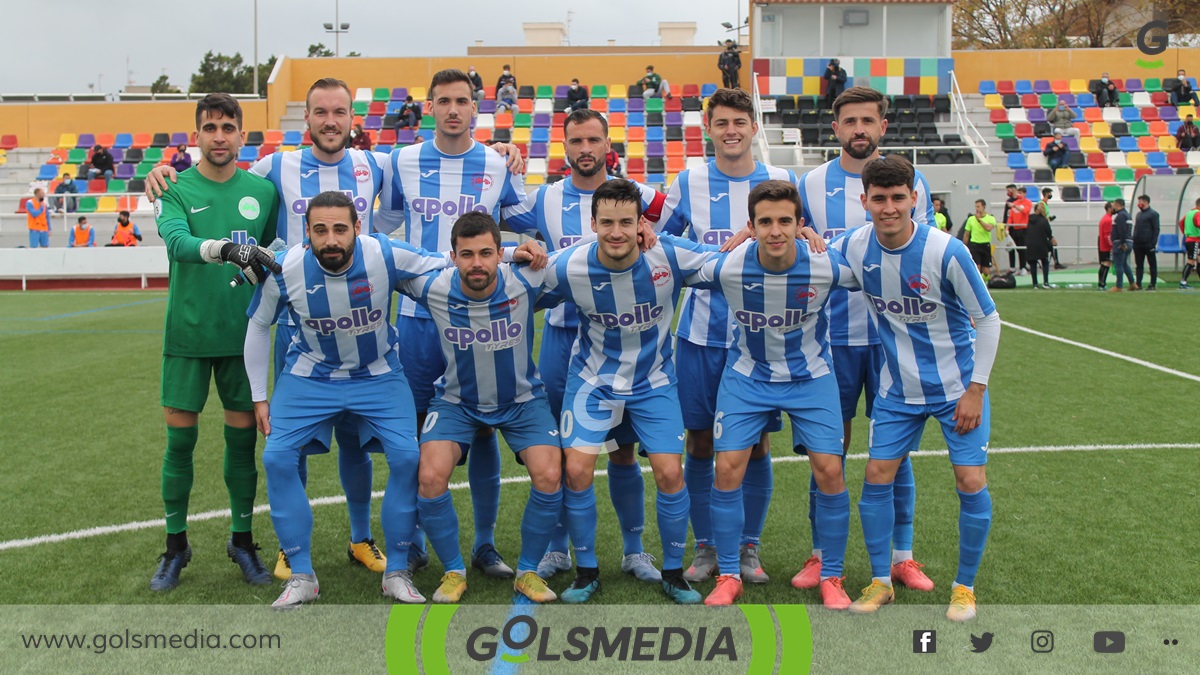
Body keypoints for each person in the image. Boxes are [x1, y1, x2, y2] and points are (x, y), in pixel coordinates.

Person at [142, 77, 534, 579]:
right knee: (289, 442)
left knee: (357, 440)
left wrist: (501, 152)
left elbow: (451, 166)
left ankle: (361, 538)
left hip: (364, 321)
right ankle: (289, 548)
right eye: (320, 112)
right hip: (293, 322)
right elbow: (223, 173)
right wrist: (163, 172)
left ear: (354, 120)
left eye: (339, 112)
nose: (330, 121)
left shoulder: (376, 165)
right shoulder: (274, 166)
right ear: (305, 120)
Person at [244, 192, 546, 608]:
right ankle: (301, 576)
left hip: (378, 375)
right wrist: (260, 397)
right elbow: (260, 325)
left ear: (357, 229)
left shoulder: (383, 253)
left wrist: (512, 252)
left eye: (339, 229)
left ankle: (397, 570)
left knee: (407, 458)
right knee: (277, 458)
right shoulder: (286, 268)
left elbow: (448, 258)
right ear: (307, 234)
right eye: (320, 230)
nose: (330, 239)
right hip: (309, 377)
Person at [658, 88, 818, 588]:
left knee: (756, 447)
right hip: (701, 336)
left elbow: (807, 236)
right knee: (701, 441)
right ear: (709, 128)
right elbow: (656, 236)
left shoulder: (784, 180)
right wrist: (716, 257)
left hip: (764, 337)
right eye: (721, 122)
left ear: (753, 128)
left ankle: (748, 547)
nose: (731, 131)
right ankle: (708, 546)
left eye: (739, 122)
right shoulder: (689, 180)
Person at [377, 68, 532, 580]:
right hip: (420, 320)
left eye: (462, 100)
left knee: (484, 430)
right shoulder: (400, 161)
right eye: (442, 100)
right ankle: (417, 539)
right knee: (415, 434)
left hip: (481, 319)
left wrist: (519, 167)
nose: (452, 110)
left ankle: (485, 545)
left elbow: (528, 219)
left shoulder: (496, 162)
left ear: (476, 106)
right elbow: (384, 228)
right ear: (428, 106)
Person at [501, 108, 667, 583]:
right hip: (562, 334)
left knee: (621, 451)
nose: (585, 149)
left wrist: (653, 230)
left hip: (624, 338)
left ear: (607, 142)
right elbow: (492, 209)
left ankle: (635, 551)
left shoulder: (635, 195)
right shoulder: (546, 198)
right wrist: (497, 156)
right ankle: (558, 550)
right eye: (576, 141)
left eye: (594, 139)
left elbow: (680, 218)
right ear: (565, 146)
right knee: (560, 448)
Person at [834, 155, 1000, 623]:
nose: (889, 208)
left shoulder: (947, 251)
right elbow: (809, 261)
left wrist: (976, 390)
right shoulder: (853, 246)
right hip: (896, 389)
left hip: (956, 389)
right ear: (864, 200)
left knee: (970, 480)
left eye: (898, 198)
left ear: (914, 198)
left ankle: (964, 588)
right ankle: (881, 583)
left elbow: (988, 320)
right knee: (876, 476)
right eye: (879, 199)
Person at [538, 179, 718, 605]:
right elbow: (511, 281)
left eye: (625, 222)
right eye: (607, 223)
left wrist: (758, 236)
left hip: (654, 381)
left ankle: (673, 575)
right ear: (593, 223)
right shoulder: (569, 265)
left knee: (670, 473)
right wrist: (516, 252)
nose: (616, 232)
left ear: (641, 223)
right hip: (592, 382)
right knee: (577, 471)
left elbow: (726, 263)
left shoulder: (667, 253)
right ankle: (586, 572)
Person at [791, 86, 937, 594]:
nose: (858, 130)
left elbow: (929, 252)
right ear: (835, 129)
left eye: (867, 121)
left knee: (892, 450)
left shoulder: (910, 180)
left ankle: (903, 556)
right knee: (827, 451)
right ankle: (821, 555)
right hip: (828, 340)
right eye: (849, 122)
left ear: (882, 126)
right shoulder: (808, 183)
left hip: (895, 340)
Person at [687, 180, 856, 611]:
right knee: (726, 468)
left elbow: (878, 264)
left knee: (830, 470)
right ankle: (728, 574)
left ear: (801, 225)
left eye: (785, 221)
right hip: (748, 376)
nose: (775, 231)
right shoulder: (728, 266)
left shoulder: (826, 264)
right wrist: (646, 232)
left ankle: (832, 575)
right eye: (765, 222)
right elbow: (671, 258)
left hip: (811, 376)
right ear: (751, 226)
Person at [149, 92, 282, 593]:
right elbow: (178, 243)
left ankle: (242, 540)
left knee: (241, 444)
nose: (220, 137)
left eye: (229, 128)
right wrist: (225, 249)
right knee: (179, 442)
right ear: (196, 136)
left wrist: (267, 254)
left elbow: (276, 246)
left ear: (241, 135)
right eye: (211, 128)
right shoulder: (174, 187)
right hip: (187, 335)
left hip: (242, 336)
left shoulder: (261, 190)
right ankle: (175, 545)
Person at [398, 213, 561, 604]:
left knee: (551, 474)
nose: (477, 263)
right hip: (457, 400)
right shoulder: (433, 286)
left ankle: (527, 572)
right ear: (452, 256)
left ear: (500, 254)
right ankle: (454, 570)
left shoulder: (526, 278)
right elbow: (378, 258)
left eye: (487, 253)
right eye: (466, 254)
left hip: (522, 400)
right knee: (431, 476)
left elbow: (585, 255)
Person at [1131, 194, 1160, 291]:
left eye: (1141, 201)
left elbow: (1156, 229)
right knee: (1139, 265)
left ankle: (1153, 283)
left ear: (1146, 202)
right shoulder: (1139, 214)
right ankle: (1138, 283)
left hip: (1148, 243)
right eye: (1138, 201)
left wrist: (1153, 243)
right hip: (1138, 244)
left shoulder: (1153, 214)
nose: (1139, 203)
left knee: (1152, 264)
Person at [1024, 202, 1055, 288]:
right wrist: (1052, 239)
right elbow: (1049, 232)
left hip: (1030, 243)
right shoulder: (1044, 220)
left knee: (1033, 264)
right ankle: (1045, 282)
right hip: (1041, 244)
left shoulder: (1029, 219)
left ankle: (1035, 284)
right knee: (1045, 262)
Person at [964, 199, 997, 278]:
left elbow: (988, 228)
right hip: (974, 245)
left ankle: (984, 281)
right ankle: (978, 286)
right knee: (977, 268)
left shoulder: (990, 218)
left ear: (984, 207)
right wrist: (964, 246)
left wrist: (979, 220)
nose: (977, 209)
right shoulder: (971, 219)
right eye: (976, 207)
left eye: (978, 206)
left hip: (985, 245)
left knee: (986, 271)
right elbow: (966, 234)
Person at [1004, 184, 1032, 274]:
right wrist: (1007, 228)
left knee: (1021, 249)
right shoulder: (1015, 203)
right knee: (1012, 248)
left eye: (1020, 193)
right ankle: (1012, 267)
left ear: (1024, 193)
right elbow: (1010, 217)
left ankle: (1023, 267)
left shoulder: (1028, 202)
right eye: (1018, 193)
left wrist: (1014, 206)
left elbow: (1025, 211)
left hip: (1023, 228)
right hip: (1014, 228)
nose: (1019, 195)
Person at [1109, 198, 1134, 291]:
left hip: (1120, 242)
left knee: (1118, 264)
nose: (1113, 207)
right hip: (1129, 241)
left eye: (1114, 205)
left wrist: (1122, 242)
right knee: (1124, 264)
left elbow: (1122, 230)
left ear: (1118, 205)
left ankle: (1119, 286)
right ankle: (1132, 283)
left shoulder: (1120, 216)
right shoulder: (1127, 215)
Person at [1041, 187, 1066, 270]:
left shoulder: (1045, 204)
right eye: (1050, 193)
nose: (1051, 195)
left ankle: (1056, 262)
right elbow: (1043, 216)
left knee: (1053, 245)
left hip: (1045, 227)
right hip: (1043, 229)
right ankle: (1055, 263)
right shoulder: (1042, 204)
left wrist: (1050, 218)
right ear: (1047, 194)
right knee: (1053, 244)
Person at [1179, 197, 1200, 289]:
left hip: (1190, 239)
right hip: (1195, 240)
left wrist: (1185, 233)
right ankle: (1183, 282)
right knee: (1191, 261)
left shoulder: (1189, 213)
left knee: (1199, 261)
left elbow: (1181, 223)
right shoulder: (1198, 213)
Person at [1097, 201, 1114, 290]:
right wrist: (1111, 245)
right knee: (1106, 264)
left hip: (1102, 244)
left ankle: (1100, 283)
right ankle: (1102, 284)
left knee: (1103, 264)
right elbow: (1107, 235)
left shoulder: (1104, 218)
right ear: (1109, 209)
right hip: (1105, 246)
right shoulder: (1108, 220)